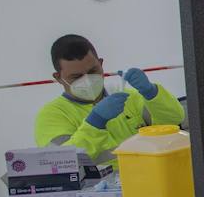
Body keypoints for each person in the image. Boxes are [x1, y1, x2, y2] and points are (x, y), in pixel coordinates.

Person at [36, 34, 185, 164]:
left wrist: (152, 93)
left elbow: (174, 121)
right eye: (76, 77)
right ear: (58, 77)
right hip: (96, 193)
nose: (87, 80)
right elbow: (62, 163)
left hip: (147, 178)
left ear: (101, 64)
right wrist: (95, 123)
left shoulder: (128, 97)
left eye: (93, 71)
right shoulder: (52, 115)